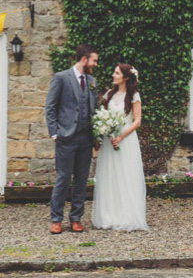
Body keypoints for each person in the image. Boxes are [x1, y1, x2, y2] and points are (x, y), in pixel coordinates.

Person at [45, 44, 98, 234]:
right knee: (63, 178)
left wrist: (97, 135)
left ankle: (76, 218)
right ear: (84, 59)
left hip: (86, 138)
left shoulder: (92, 80)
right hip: (66, 138)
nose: (95, 64)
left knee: (81, 180)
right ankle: (56, 219)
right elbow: (50, 107)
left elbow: (94, 108)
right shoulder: (61, 77)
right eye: (94, 60)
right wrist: (54, 132)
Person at [92, 62, 148, 231]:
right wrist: (105, 131)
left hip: (126, 139)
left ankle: (127, 215)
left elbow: (137, 121)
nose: (113, 75)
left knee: (125, 175)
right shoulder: (109, 94)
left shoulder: (134, 96)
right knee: (110, 175)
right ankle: (110, 215)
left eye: (116, 73)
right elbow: (104, 116)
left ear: (125, 77)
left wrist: (121, 136)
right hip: (111, 141)